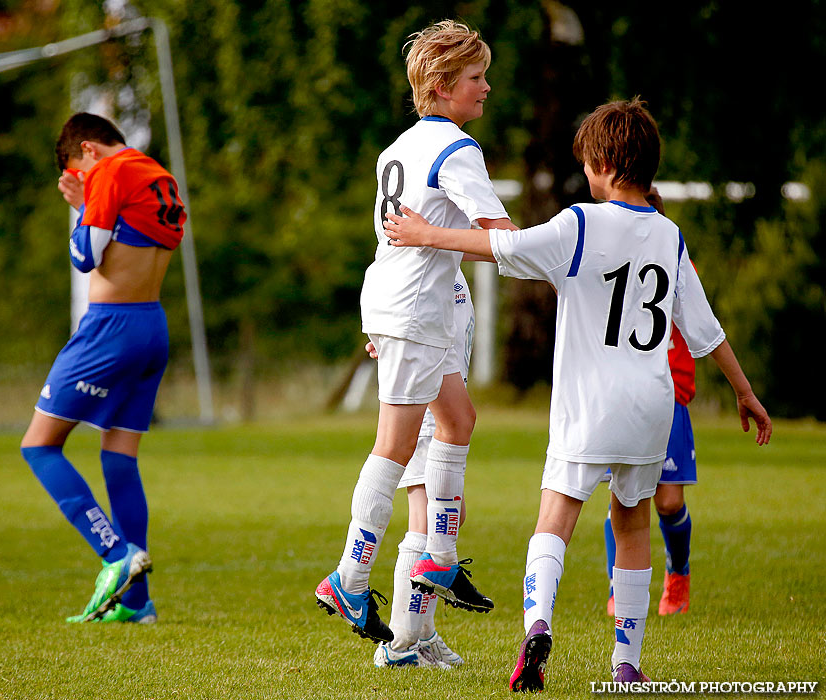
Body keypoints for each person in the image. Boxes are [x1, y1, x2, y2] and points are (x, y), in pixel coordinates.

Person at [382, 97, 772, 690]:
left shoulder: (581, 223)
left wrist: (424, 233)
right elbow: (705, 329)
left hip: (588, 405)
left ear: (608, 165)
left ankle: (537, 627)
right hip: (651, 407)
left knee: (555, 521)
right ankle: (626, 662)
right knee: (633, 525)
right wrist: (745, 391)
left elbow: (506, 250)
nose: (585, 175)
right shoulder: (669, 235)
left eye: (588, 163)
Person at [314, 20, 517, 643]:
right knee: (396, 444)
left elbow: (395, 239)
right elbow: (500, 238)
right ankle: (349, 577)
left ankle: (440, 557)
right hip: (415, 311)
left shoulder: (397, 148)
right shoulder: (457, 150)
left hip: (402, 304)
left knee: (457, 422)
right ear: (441, 85)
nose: (487, 88)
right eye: (477, 78)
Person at [20, 112, 186, 624]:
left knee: (39, 445)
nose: (81, 182)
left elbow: (85, 257)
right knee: (119, 458)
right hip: (151, 326)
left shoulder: (110, 172)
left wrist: (82, 204)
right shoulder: (160, 176)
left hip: (111, 327)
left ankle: (115, 555)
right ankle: (136, 603)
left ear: (89, 150)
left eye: (79, 171)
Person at [368, 268, 474, 668]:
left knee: (450, 519)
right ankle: (399, 644)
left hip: (440, 407)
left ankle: (422, 633)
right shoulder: (426, 264)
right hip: (426, 409)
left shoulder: (448, 267)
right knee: (427, 521)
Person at [604, 188, 697, 617]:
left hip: (669, 396)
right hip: (623, 396)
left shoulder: (675, 261)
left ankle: (678, 573)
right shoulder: (610, 268)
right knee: (622, 497)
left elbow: (700, 327)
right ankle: (616, 586)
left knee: (668, 502)